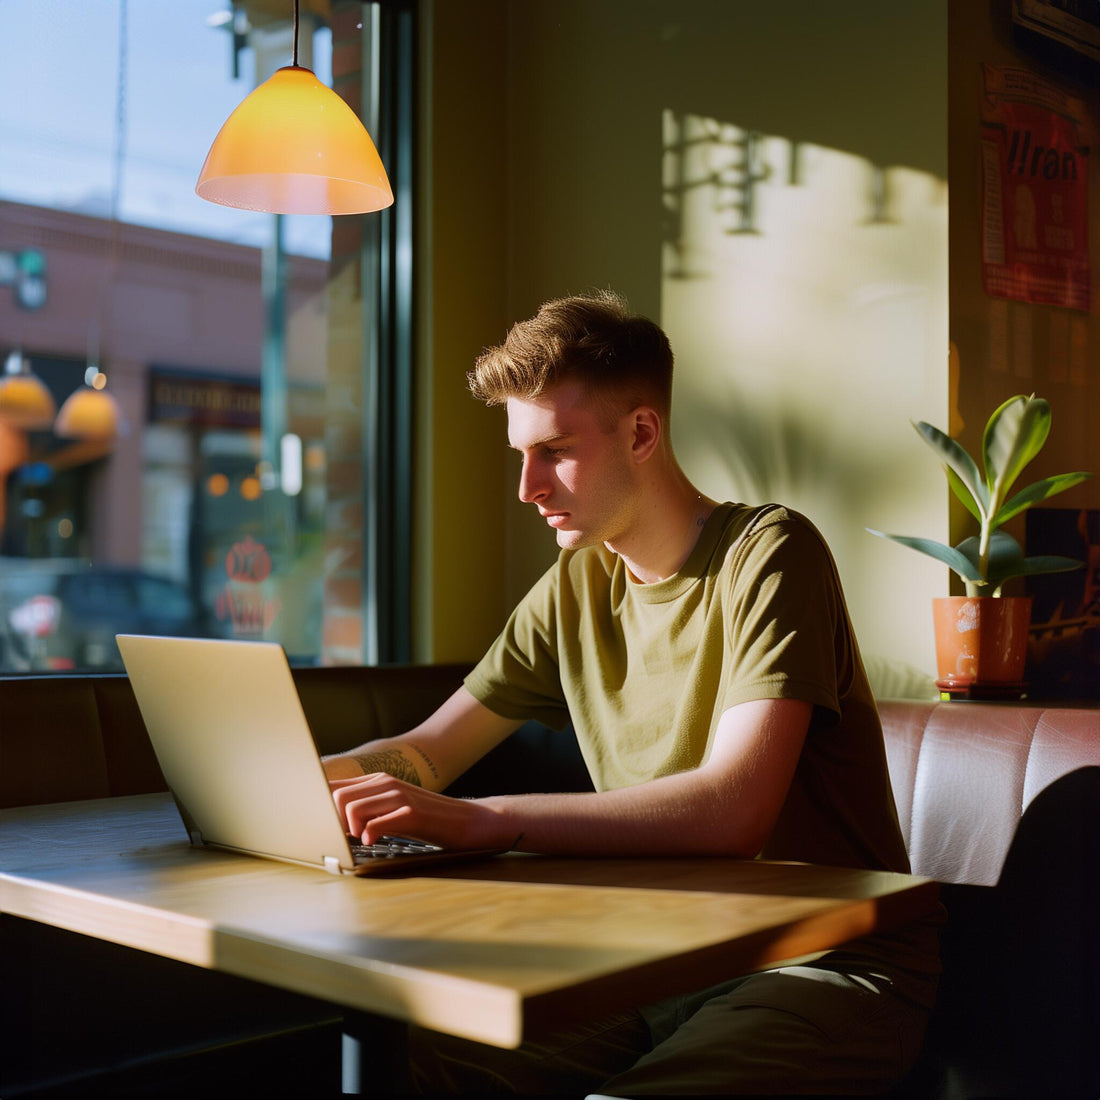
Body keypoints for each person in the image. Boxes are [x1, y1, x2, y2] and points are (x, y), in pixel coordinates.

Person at [323, 291, 940, 1096]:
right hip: (651, 966)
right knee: (417, 1065)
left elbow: (731, 808)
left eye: (553, 451)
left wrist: (492, 820)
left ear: (642, 432)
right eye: (520, 455)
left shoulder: (769, 553)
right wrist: (289, 780)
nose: (527, 487)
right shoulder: (576, 584)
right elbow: (428, 753)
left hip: (822, 961)